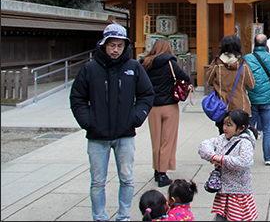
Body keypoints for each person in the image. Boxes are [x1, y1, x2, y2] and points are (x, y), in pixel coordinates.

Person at [70, 22, 155, 221]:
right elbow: (78, 97)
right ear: (104, 45)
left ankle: (123, 216)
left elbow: (146, 94)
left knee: (127, 179)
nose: (115, 50)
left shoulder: (133, 67)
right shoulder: (90, 69)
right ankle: (99, 217)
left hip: (124, 133)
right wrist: (87, 121)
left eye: (119, 46)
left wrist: (137, 117)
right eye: (111, 45)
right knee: (97, 181)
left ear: (125, 46)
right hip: (97, 135)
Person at [140, 40, 191, 187]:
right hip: (169, 105)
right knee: (167, 140)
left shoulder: (145, 63)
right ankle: (163, 174)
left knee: (155, 140)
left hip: (152, 106)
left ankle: (156, 170)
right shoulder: (170, 63)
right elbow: (185, 77)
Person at [198, 109, 259, 221]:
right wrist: (212, 156)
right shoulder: (222, 139)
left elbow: (244, 162)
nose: (224, 128)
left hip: (238, 191)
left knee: (236, 217)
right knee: (221, 216)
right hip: (224, 190)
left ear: (241, 128)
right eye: (225, 124)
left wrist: (220, 159)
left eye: (229, 125)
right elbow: (204, 146)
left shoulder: (245, 143)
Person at [244, 33, 270, 166]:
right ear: (266, 45)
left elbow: (242, 77)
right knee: (267, 129)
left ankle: (247, 156)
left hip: (251, 98)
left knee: (248, 129)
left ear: (254, 44)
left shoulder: (246, 59)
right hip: (266, 99)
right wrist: (269, 89)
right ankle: (268, 157)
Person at [205, 35, 255, 135]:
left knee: (223, 136)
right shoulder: (243, 64)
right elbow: (251, 84)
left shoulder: (216, 63)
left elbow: (209, 81)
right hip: (241, 107)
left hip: (222, 108)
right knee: (240, 138)